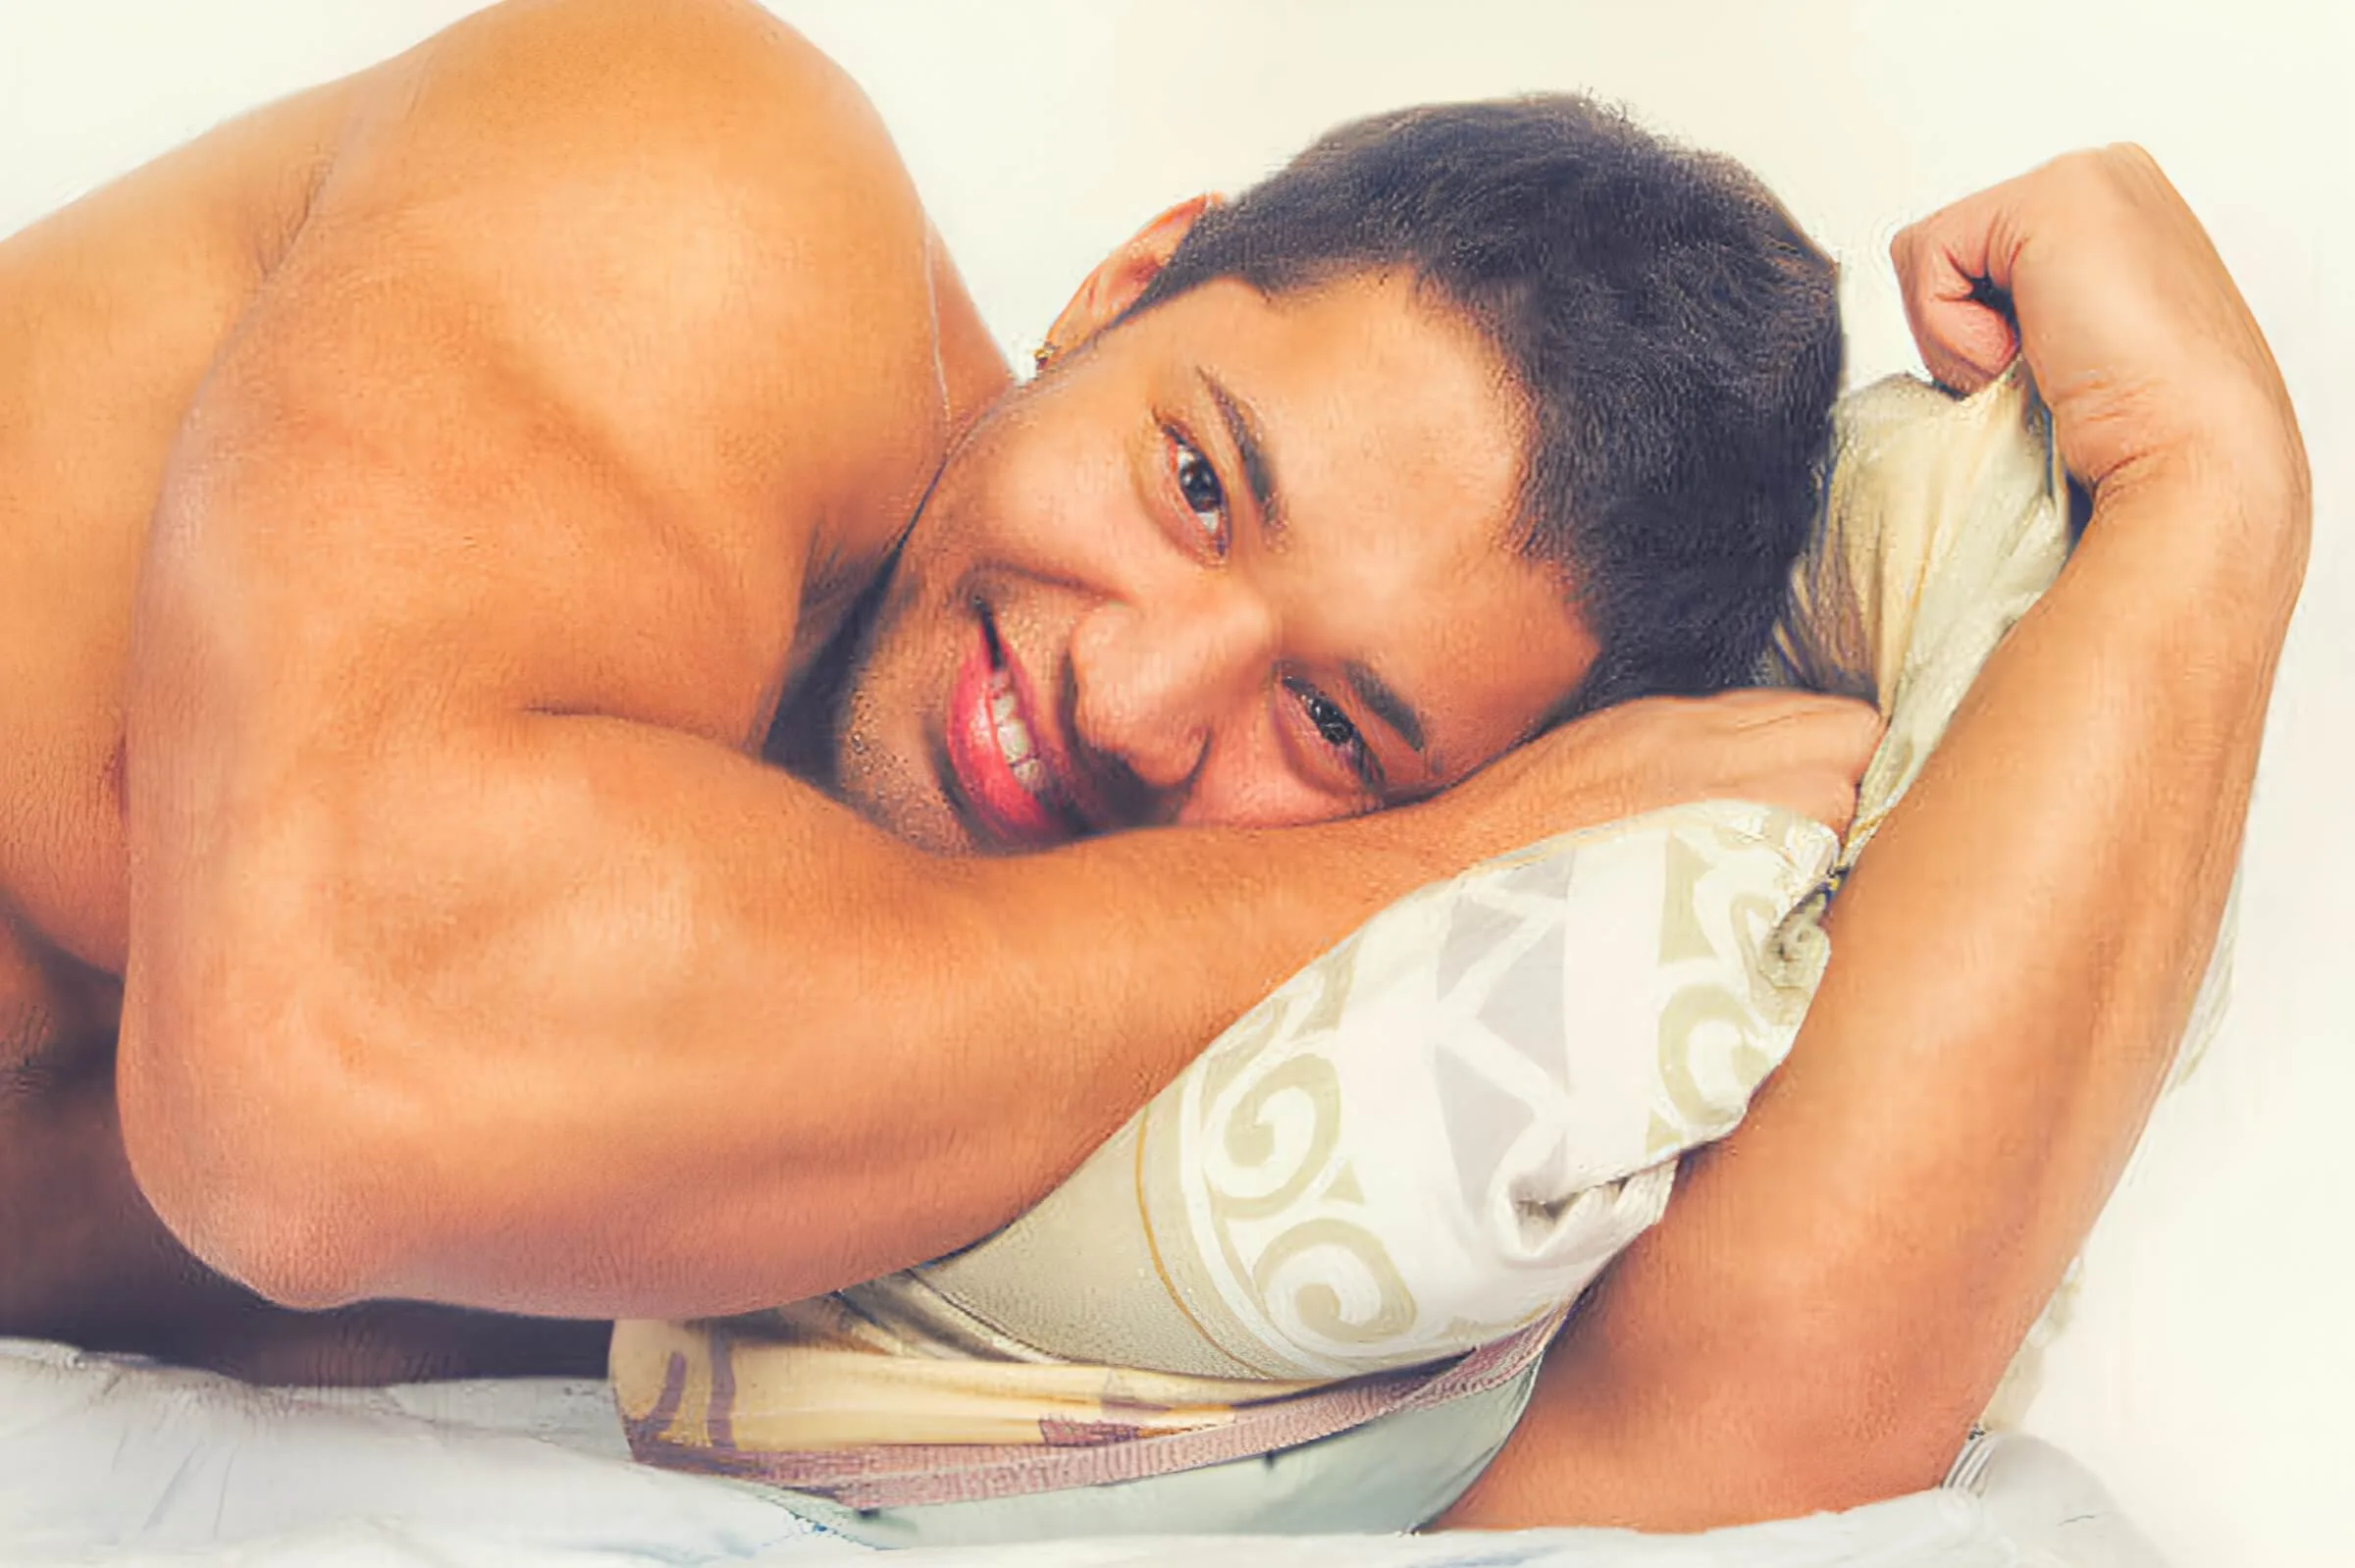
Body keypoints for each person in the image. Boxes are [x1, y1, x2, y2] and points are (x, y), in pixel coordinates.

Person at [0, 0, 2307, 1534]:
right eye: (1202, 482)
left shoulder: (1024, 1075)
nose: (1135, 697)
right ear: (1131, 279)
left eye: (1335, 724)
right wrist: (1423, 849)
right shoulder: (703, 182)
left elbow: (1722, 1453)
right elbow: (313, 1087)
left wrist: (2213, 501)